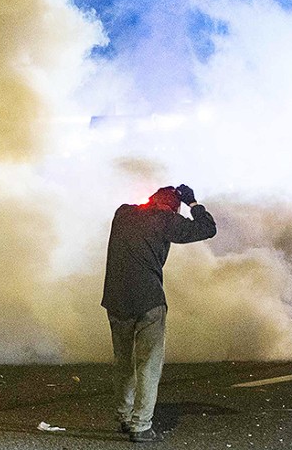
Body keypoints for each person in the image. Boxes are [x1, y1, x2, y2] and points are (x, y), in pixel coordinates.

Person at [101, 183, 216, 443]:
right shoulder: (167, 220)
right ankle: (141, 426)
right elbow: (208, 228)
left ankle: (123, 415)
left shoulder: (123, 214)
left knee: (124, 364)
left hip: (116, 300)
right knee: (148, 366)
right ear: (173, 207)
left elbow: (140, 209)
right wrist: (193, 203)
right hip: (148, 301)